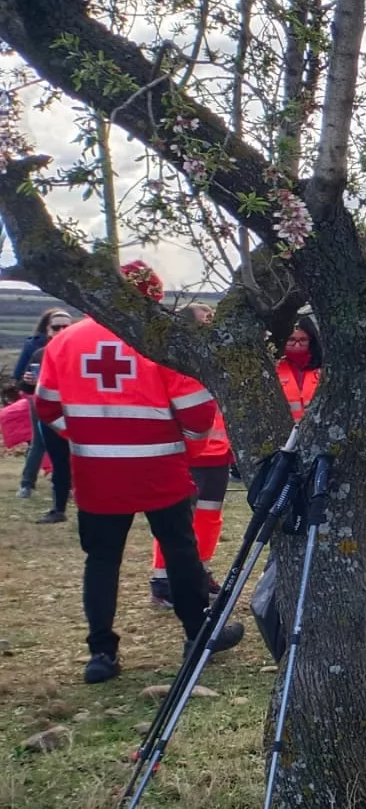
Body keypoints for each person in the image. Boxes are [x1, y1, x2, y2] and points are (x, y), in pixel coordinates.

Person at [36, 261, 242, 683]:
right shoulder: (158, 337)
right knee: (181, 551)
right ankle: (197, 635)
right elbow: (196, 411)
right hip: (160, 466)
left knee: (101, 560)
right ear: (152, 296)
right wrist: (189, 449)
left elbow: (47, 406)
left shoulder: (66, 340)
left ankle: (101, 654)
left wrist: (87, 439)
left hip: (95, 470)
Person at [150, 351, 232, 611]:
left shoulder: (223, 359)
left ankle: (200, 572)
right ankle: (163, 579)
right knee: (176, 519)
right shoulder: (174, 361)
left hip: (217, 452)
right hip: (184, 451)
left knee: (209, 517)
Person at [17, 307, 71, 513]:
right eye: (56, 327)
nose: (61, 330)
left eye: (66, 326)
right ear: (48, 330)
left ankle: (69, 487)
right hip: (44, 404)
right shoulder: (40, 353)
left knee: (72, 445)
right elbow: (24, 385)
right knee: (39, 443)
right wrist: (28, 381)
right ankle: (26, 484)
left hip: (70, 404)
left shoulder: (78, 352)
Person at [276, 316, 322, 422]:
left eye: (302, 340)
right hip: (286, 431)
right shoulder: (275, 370)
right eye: (291, 340)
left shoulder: (324, 370)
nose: (297, 345)